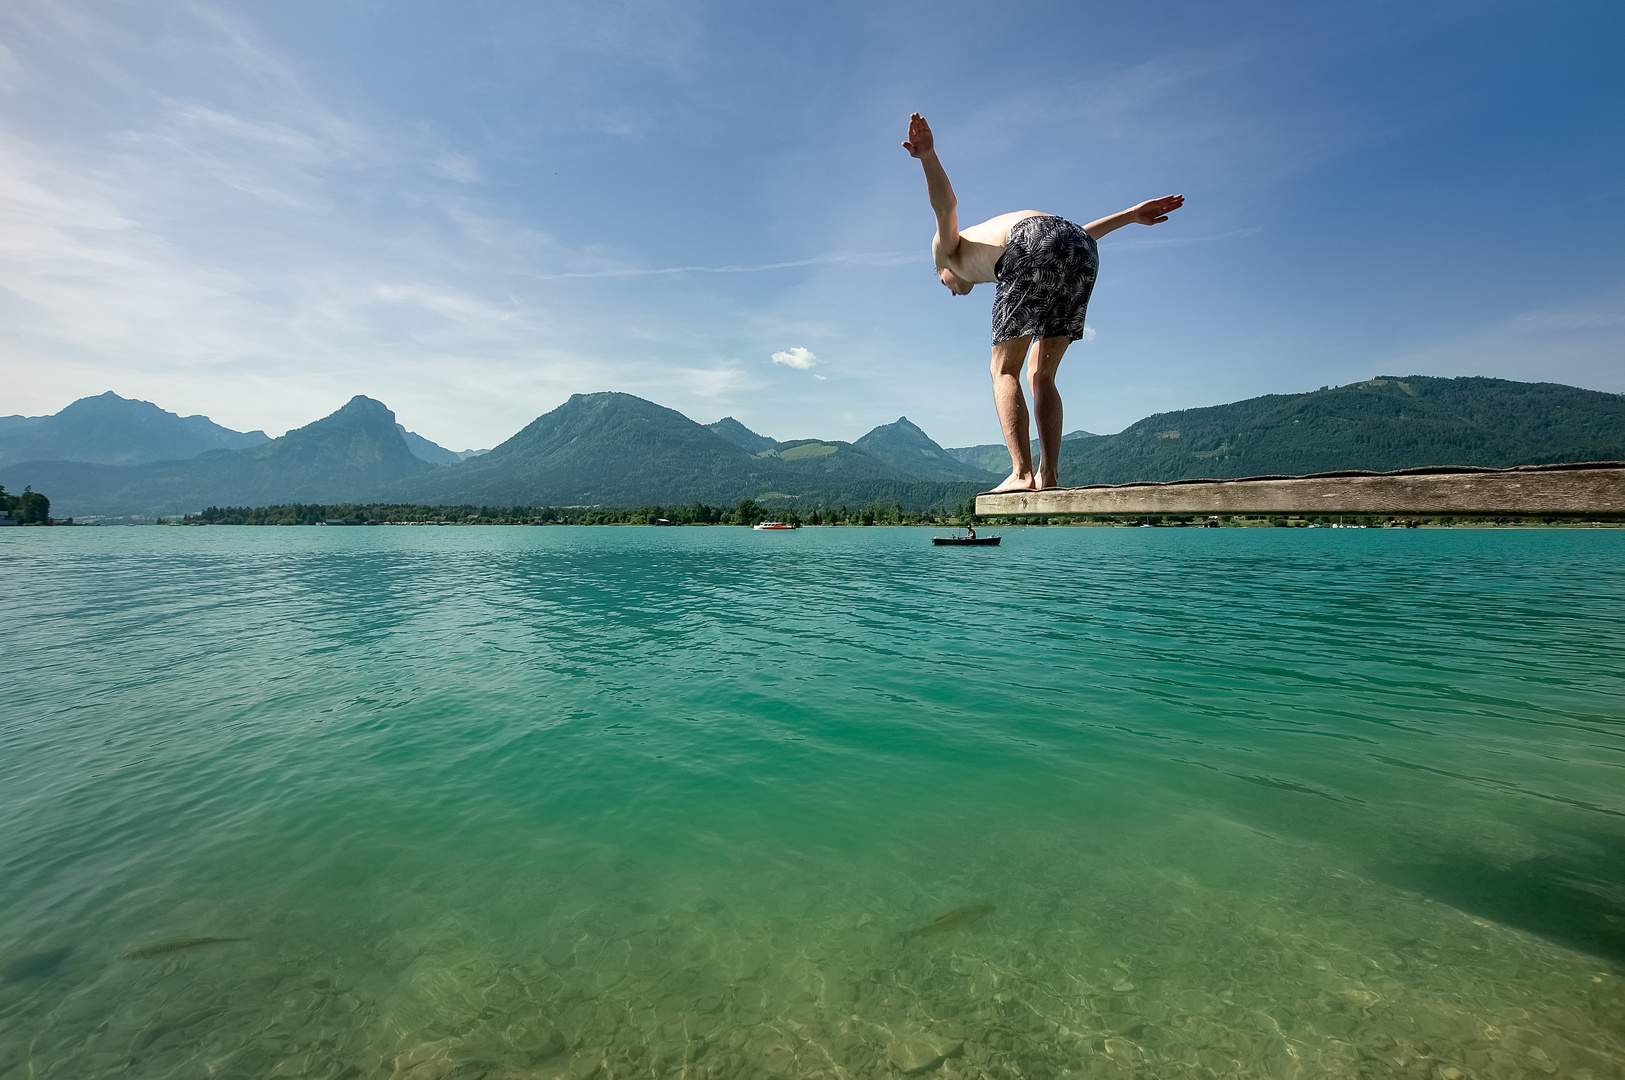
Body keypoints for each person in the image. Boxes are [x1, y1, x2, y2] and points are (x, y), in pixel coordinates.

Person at [903, 112, 1184, 493]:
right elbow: (1069, 237)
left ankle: (1021, 474)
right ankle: (1048, 475)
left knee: (1003, 370)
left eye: (942, 284)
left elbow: (946, 207)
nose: (950, 289)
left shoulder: (948, 252)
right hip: (1077, 248)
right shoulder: (988, 243)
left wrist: (929, 157)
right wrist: (1130, 216)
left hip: (1031, 243)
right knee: (1042, 373)